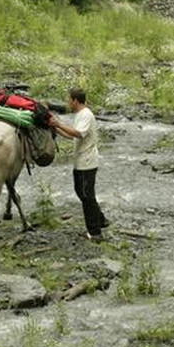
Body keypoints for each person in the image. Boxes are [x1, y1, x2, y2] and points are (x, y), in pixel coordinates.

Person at [50, 87, 106, 240]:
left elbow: (78, 133)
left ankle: (95, 233)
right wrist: (56, 128)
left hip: (87, 162)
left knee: (87, 195)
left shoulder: (86, 115)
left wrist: (58, 123)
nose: (68, 102)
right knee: (82, 192)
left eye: (69, 99)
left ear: (75, 100)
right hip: (81, 161)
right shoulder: (80, 115)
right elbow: (73, 136)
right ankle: (101, 220)